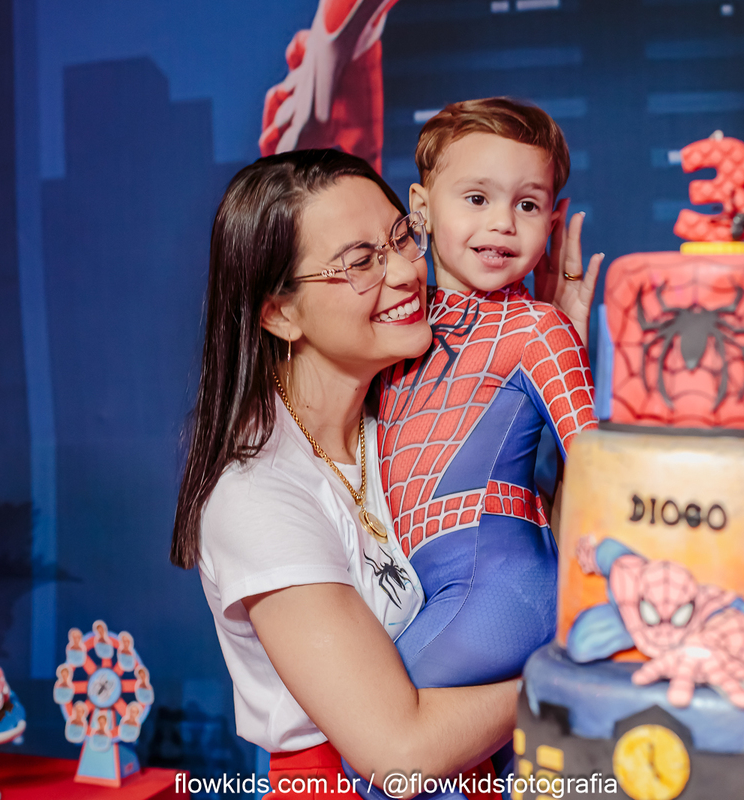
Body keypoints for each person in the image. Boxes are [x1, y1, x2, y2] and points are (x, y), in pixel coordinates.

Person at [171, 149, 516, 798]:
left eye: (401, 237)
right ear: (280, 312)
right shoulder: (257, 496)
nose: (405, 272)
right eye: (360, 262)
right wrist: (570, 685)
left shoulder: (407, 418)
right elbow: (397, 753)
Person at [378, 98, 602, 696]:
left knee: (379, 727)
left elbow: (595, 461)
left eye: (527, 204)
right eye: (477, 198)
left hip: (500, 587)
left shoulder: (539, 328)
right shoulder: (399, 324)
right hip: (420, 589)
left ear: (552, 221)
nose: (503, 222)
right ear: (421, 208)